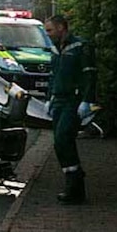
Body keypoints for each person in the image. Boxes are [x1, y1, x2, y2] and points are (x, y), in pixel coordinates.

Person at [44, 14, 97, 205]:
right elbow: (53, 75)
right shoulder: (56, 49)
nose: (47, 34)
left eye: (49, 30)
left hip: (73, 100)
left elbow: (90, 75)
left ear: (61, 28)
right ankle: (74, 182)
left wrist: (87, 101)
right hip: (58, 100)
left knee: (63, 138)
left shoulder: (81, 47)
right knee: (59, 143)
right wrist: (49, 97)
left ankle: (75, 186)